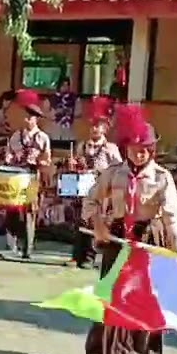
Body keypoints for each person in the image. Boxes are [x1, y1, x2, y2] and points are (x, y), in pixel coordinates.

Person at [82, 104, 177, 354]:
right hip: (117, 238)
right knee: (111, 293)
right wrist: (98, 224)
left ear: (152, 150)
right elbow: (91, 201)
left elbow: (173, 215)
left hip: (147, 239)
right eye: (135, 148)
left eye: (145, 149)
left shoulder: (162, 178)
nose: (139, 154)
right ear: (126, 147)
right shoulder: (113, 173)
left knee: (142, 298)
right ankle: (103, 353)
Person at [1, 92, 52, 259]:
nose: (27, 120)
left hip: (32, 177)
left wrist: (39, 162)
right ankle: (11, 246)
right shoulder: (16, 136)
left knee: (30, 212)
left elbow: (47, 159)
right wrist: (10, 158)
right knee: (12, 210)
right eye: (26, 117)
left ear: (36, 119)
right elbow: (8, 154)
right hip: (16, 176)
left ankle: (27, 248)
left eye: (30, 118)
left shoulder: (43, 138)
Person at [71, 113, 122, 267]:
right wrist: (75, 166)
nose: (94, 129)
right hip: (83, 188)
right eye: (92, 125)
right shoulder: (82, 146)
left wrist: (103, 173)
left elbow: (118, 169)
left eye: (98, 126)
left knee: (95, 220)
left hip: (100, 190)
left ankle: (90, 257)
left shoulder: (111, 148)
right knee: (80, 220)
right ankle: (77, 256)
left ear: (104, 129)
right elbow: (76, 165)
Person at [44, 77, 79, 151]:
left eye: (67, 85)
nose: (65, 87)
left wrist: (69, 112)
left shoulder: (74, 98)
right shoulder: (51, 98)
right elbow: (45, 113)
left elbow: (78, 113)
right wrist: (56, 112)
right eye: (63, 85)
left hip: (68, 130)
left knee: (68, 150)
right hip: (54, 130)